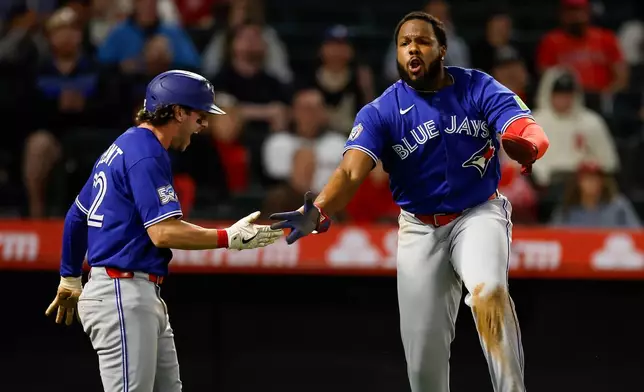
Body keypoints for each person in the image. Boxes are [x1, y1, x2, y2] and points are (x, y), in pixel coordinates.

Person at [270, 11, 550, 392]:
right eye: (404, 43)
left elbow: (524, 126)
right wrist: (319, 208)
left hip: (477, 213)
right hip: (419, 228)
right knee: (423, 365)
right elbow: (352, 172)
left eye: (421, 40)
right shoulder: (381, 110)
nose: (412, 48)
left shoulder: (477, 86)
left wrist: (528, 142)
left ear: (442, 49)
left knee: (489, 294)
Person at [44, 70, 284, 392]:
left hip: (133, 291)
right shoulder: (146, 152)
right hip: (122, 290)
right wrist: (228, 238)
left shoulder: (126, 144)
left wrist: (70, 276)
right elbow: (163, 232)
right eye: (200, 115)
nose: (204, 125)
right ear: (178, 111)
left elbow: (77, 215)